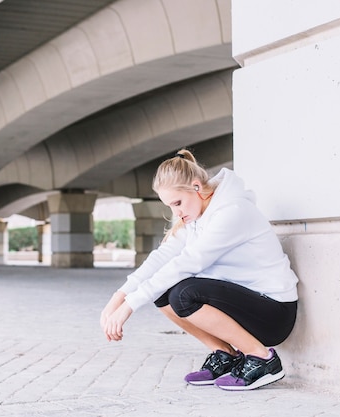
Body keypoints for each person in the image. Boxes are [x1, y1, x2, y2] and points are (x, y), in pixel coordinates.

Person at [100, 149, 299, 391]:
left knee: (185, 294)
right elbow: (161, 259)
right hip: (247, 307)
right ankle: (226, 355)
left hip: (273, 313)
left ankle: (262, 358)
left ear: (196, 187)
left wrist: (130, 307)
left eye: (178, 203)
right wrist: (118, 297)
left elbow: (188, 262)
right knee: (163, 293)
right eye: (170, 206)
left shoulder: (232, 212)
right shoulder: (195, 217)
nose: (176, 213)